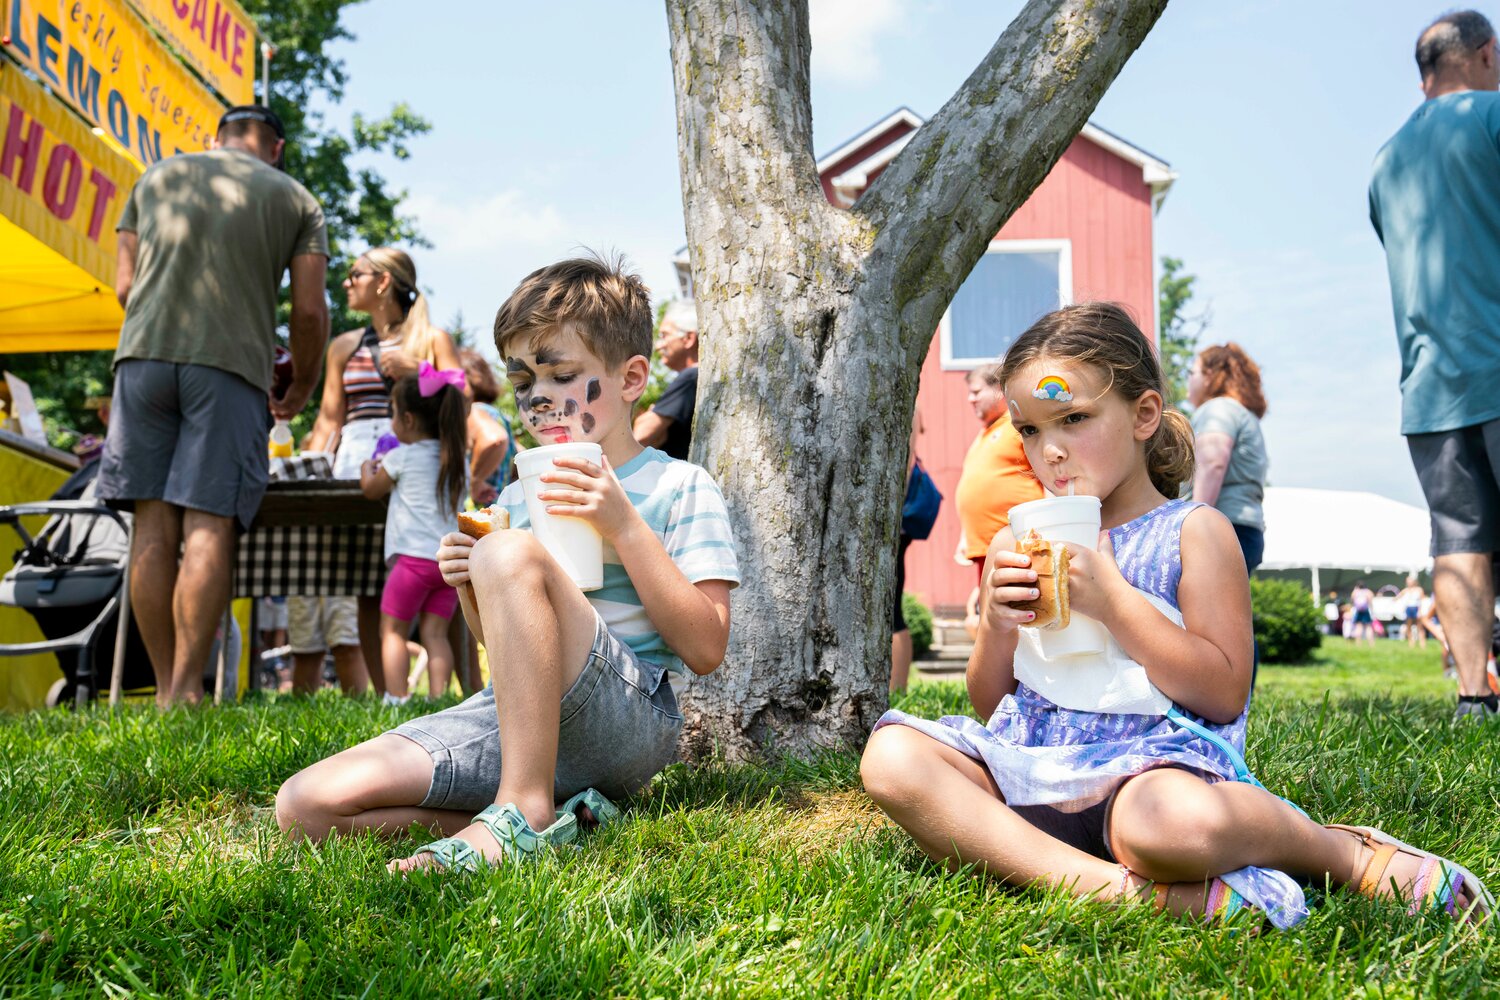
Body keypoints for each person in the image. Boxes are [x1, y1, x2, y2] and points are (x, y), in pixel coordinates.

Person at [860, 302, 1488, 929]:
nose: (1048, 451)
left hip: (1148, 776)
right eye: (1028, 430)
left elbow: (1221, 691)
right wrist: (997, 624)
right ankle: (1117, 891)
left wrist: (1115, 603)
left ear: (1144, 414)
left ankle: (1338, 851)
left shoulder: (1194, 533)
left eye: (1073, 419)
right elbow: (990, 702)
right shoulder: (1014, 545)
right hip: (1030, 762)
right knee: (891, 757)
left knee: (1171, 829)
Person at [275, 254, 740, 871]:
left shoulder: (681, 486)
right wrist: (473, 584)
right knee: (304, 806)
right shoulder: (517, 497)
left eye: (561, 375)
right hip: (525, 720)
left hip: (630, 719)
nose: (538, 399)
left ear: (631, 379)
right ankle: (563, 819)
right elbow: (505, 648)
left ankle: (523, 809)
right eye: (523, 383)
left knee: (511, 550)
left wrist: (623, 523)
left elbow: (706, 648)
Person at [97, 105, 328, 708]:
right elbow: (307, 311)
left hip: (142, 357)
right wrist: (302, 382)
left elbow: (124, 287)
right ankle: (185, 693)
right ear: (275, 147)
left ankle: (165, 685)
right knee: (208, 521)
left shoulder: (155, 178)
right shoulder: (295, 198)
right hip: (228, 365)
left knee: (151, 523)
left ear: (215, 138)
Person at [1370, 10, 1500, 719]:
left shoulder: (1386, 160)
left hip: (1429, 386)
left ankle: (1473, 696)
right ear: (1487, 54)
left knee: (1458, 538)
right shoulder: (1494, 117)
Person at [302, 247, 463, 695]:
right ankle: (385, 694)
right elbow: (329, 420)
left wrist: (421, 370)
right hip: (359, 466)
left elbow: (462, 393)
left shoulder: (432, 338)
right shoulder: (343, 346)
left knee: (429, 574)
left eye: (355, 274)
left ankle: (451, 693)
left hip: (419, 467)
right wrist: (306, 468)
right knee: (367, 579)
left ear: (383, 282)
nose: (346, 282)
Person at [359, 367, 469, 704]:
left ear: (407, 419)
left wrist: (368, 467)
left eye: (393, 413)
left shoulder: (400, 456)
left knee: (391, 631)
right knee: (436, 635)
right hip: (445, 565)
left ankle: (396, 698)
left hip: (410, 563)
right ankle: (438, 700)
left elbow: (370, 490)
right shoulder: (457, 460)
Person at [1184, 344, 1268, 574]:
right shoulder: (1242, 413)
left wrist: (1193, 526)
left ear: (1209, 376)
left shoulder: (1219, 408)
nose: (1187, 381)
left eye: (1191, 373)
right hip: (1245, 528)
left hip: (1222, 530)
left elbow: (1213, 462)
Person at [633, 300, 699, 459]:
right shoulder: (698, 377)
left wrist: (644, 419)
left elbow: (642, 435)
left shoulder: (689, 377)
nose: (658, 346)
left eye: (664, 335)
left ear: (688, 338)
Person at [891, 407, 925, 692]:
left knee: (893, 610)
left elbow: (906, 456)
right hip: (900, 517)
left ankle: (898, 688)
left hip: (898, 518)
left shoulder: (910, 408)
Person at [460, 349, 517, 507]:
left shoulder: (475, 410)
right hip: (499, 507)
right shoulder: (497, 415)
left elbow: (494, 439)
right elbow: (518, 455)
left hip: (479, 508)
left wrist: (475, 482)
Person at [1399, 575, 1427, 647]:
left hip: (1417, 608)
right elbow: (1397, 597)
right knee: (1408, 627)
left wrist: (1420, 611)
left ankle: (1422, 643)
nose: (1408, 582)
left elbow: (1422, 600)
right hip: (1408, 608)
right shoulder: (1405, 590)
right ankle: (1411, 643)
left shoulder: (1419, 590)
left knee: (1420, 627)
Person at [1348, 581, 1377, 646]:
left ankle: (1358, 644)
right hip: (1365, 611)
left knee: (1358, 627)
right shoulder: (1368, 592)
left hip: (1358, 611)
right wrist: (1372, 611)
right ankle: (1371, 644)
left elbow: (1352, 601)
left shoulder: (1355, 592)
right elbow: (1370, 602)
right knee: (1368, 627)